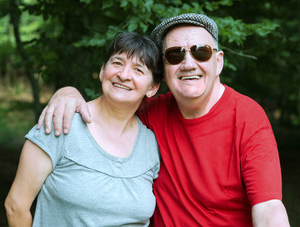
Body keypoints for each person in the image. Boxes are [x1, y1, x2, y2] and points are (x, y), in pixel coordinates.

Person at [34, 13, 290, 226]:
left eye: (200, 52)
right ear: (163, 73)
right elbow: (110, 100)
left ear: (218, 61)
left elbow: (268, 208)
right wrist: (67, 92)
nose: (188, 63)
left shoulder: (247, 117)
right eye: (175, 55)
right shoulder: (150, 112)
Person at [5, 32, 162, 226]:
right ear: (102, 71)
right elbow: (15, 206)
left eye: (138, 70)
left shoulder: (151, 144)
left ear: (152, 88)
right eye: (117, 63)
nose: (124, 75)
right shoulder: (62, 122)